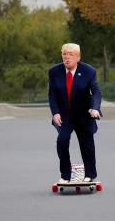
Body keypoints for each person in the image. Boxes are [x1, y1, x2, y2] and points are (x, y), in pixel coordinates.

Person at [48, 43, 102, 184]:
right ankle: (65, 175)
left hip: (84, 113)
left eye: (71, 54)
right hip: (64, 114)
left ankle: (90, 174)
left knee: (86, 144)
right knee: (62, 141)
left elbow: (95, 92)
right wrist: (55, 113)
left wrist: (94, 108)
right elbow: (52, 95)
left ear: (78, 57)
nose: (67, 58)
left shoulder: (89, 71)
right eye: (64, 54)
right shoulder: (54, 72)